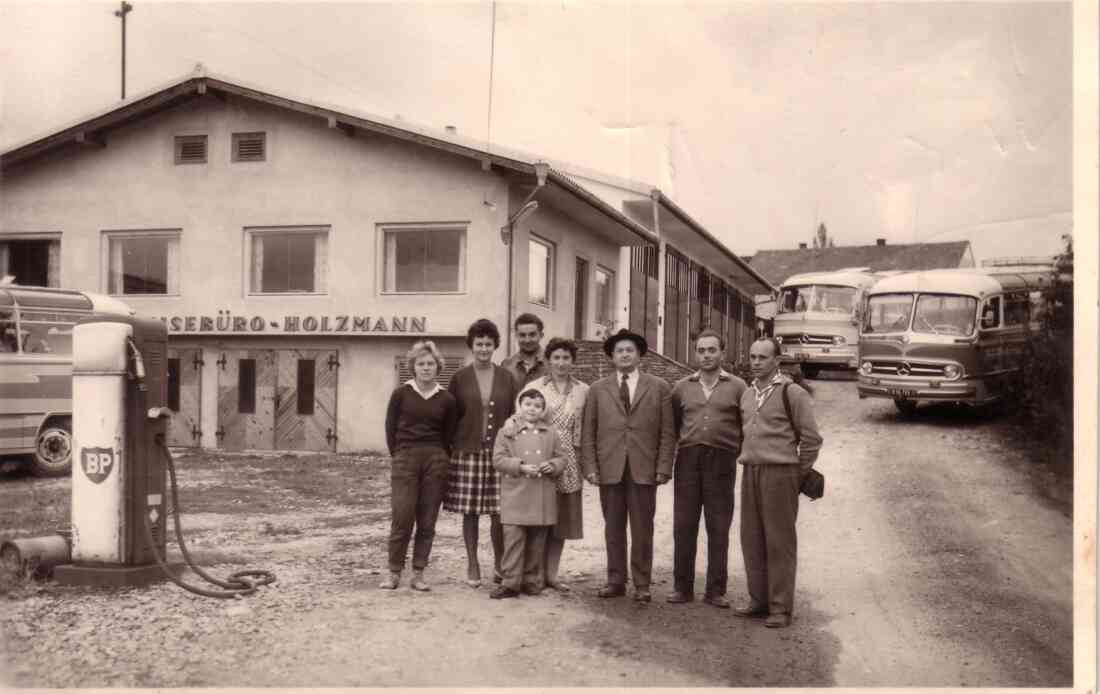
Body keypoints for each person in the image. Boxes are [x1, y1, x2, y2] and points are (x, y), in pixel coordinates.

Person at [580, 328, 675, 602]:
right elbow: (589, 431)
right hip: (609, 468)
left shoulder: (659, 387)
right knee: (613, 528)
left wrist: (664, 466)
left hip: (644, 468)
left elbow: (668, 433)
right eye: (619, 351)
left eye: (629, 350)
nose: (624, 355)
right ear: (612, 356)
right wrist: (590, 466)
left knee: (643, 528)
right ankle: (615, 580)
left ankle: (642, 584)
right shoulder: (598, 390)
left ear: (639, 355)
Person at [735, 337, 823, 628]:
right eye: (752, 356)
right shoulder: (747, 394)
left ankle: (780, 608)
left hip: (780, 473)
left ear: (777, 361)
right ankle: (758, 601)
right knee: (751, 538)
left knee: (779, 541)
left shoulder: (792, 393)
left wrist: (796, 474)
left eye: (762, 357)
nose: (756, 362)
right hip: (751, 472)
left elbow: (811, 438)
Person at [500, 337, 589, 591]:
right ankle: (531, 575)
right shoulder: (536, 386)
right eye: (556, 358)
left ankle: (551, 574)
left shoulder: (583, 390)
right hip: (537, 458)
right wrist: (509, 423)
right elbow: (519, 415)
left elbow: (586, 427)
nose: (561, 363)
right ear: (548, 360)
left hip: (568, 460)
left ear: (573, 361)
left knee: (560, 519)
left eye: (566, 358)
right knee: (536, 516)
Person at [667, 328, 747, 608]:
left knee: (718, 525)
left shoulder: (738, 387)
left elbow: (746, 424)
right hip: (688, 460)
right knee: (684, 524)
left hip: (722, 461)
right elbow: (674, 425)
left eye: (711, 350)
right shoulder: (682, 387)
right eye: (701, 350)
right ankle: (682, 588)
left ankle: (715, 590)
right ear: (695, 353)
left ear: (722, 353)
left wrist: (736, 452)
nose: (706, 356)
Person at [443, 318, 518, 587]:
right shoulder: (459, 378)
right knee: (471, 511)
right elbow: (450, 416)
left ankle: (500, 563)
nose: (484, 349)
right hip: (468, 451)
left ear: (495, 345)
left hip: (498, 453)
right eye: (479, 344)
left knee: (500, 511)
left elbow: (515, 415)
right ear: (471, 346)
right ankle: (473, 563)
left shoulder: (507, 377)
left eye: (488, 344)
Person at [382, 340, 458, 592]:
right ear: (413, 367)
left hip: (435, 460)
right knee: (402, 517)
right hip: (405, 458)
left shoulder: (446, 398)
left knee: (427, 521)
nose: (426, 368)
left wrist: (439, 457)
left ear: (438, 367)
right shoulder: (401, 393)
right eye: (421, 363)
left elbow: (449, 434)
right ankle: (394, 572)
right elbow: (390, 429)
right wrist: (401, 456)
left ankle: (418, 573)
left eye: (431, 364)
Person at [490, 388, 566, 599]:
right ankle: (510, 582)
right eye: (528, 404)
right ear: (520, 406)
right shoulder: (507, 431)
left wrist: (553, 465)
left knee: (537, 539)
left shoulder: (551, 432)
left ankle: (532, 580)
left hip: (541, 494)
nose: (532, 409)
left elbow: (562, 457)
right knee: (513, 539)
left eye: (537, 406)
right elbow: (498, 460)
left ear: (543, 410)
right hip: (516, 493)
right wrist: (520, 466)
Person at [500, 313, 548, 386]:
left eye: (532, 335)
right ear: (516, 336)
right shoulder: (507, 365)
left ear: (541, 335)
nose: (527, 340)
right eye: (522, 335)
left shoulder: (552, 363)